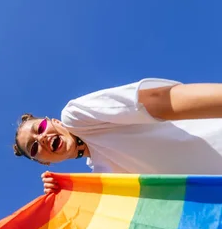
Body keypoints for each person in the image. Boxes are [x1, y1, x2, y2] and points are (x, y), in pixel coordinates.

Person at [13, 78, 222, 193]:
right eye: (33, 148)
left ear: (54, 122)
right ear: (44, 163)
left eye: (39, 128)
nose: (41, 139)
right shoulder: (103, 179)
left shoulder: (77, 116)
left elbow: (159, 100)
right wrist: (66, 194)